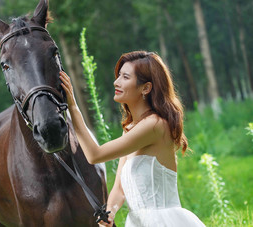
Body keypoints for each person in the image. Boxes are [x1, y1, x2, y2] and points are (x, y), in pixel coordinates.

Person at [59, 50, 205, 227]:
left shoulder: (155, 125)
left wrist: (72, 107)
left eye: (125, 77)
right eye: (119, 76)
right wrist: (110, 212)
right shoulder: (130, 129)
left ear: (146, 88)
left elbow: (94, 155)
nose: (116, 82)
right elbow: (120, 188)